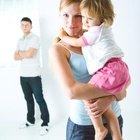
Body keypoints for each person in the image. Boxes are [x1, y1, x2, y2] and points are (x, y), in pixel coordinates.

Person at [49, 0, 130, 140]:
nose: (71, 22)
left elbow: (123, 82)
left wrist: (110, 98)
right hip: (83, 125)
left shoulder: (98, 38)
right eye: (65, 15)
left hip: (114, 117)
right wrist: (114, 93)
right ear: (59, 15)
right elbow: (72, 91)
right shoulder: (58, 49)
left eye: (78, 16)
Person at [14, 17, 49, 136]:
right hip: (23, 75)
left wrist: (22, 54)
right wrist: (24, 54)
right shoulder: (19, 40)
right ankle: (30, 120)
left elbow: (30, 54)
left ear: (31, 26)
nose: (24, 27)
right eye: (22, 25)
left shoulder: (35, 38)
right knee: (28, 99)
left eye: (26, 25)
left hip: (34, 74)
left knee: (39, 99)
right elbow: (15, 57)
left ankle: (45, 123)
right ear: (20, 26)